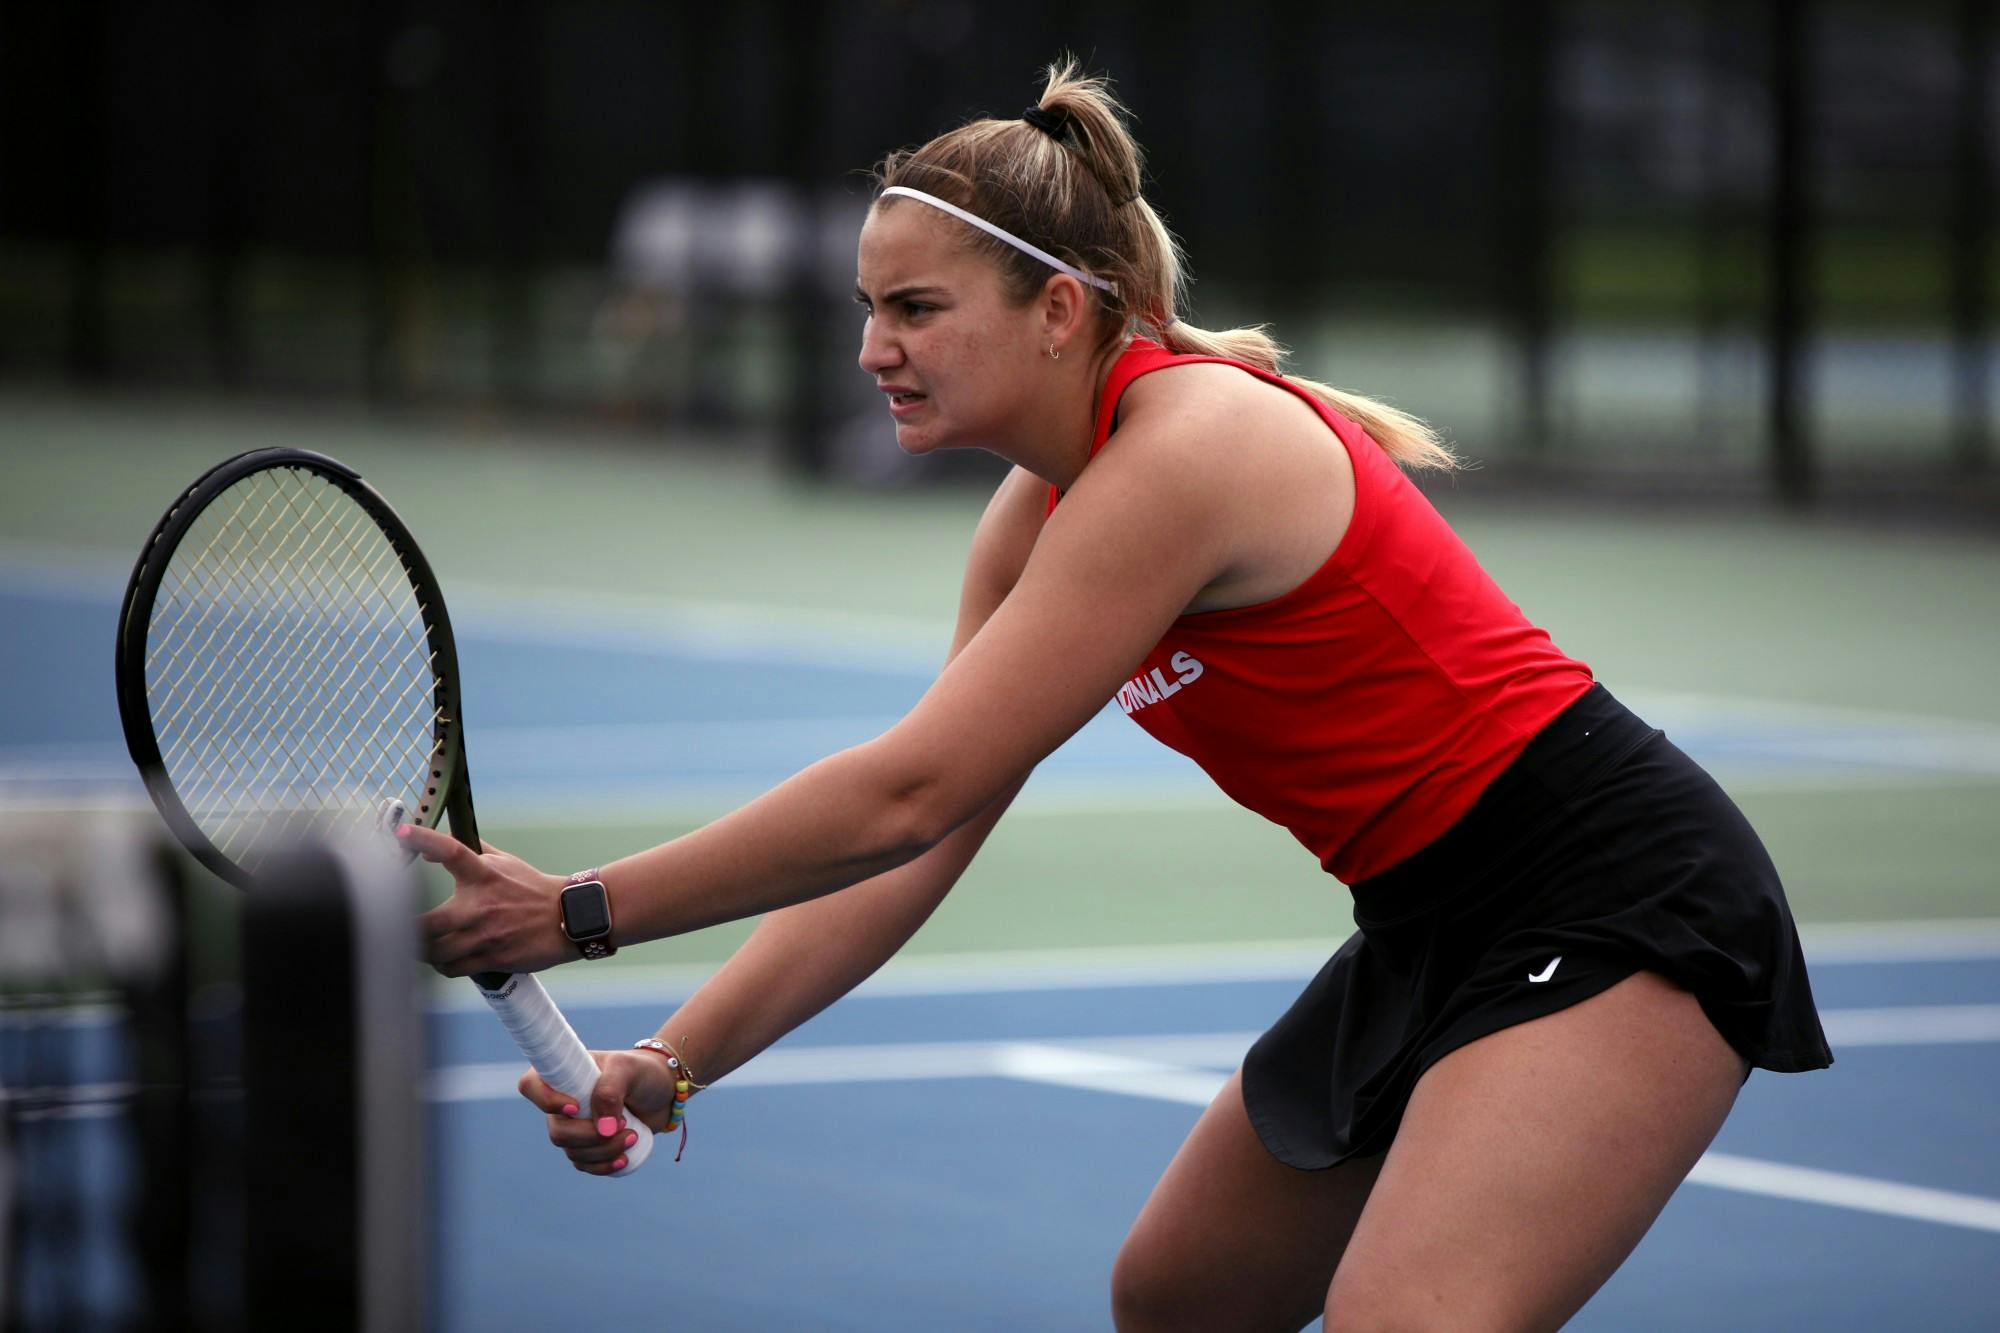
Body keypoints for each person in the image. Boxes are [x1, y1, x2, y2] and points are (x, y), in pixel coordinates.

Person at [409, 60, 1831, 1332]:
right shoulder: (1035, 518)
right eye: (867, 309)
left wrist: (578, 910)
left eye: (916, 308)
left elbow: (909, 789)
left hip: (1612, 893)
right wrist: (674, 1056)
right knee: (1181, 1299)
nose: (871, 349)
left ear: (1059, 309)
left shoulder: (1189, 446)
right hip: (1426, 921)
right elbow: (923, 836)